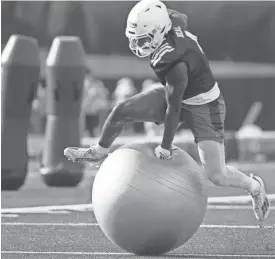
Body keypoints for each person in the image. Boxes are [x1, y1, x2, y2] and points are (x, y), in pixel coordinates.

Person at [64, 0, 270, 222]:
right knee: (121, 111)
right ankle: (99, 151)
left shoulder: (172, 60)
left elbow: (174, 107)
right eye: (134, 38)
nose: (137, 45)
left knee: (216, 175)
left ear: (160, 30)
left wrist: (165, 146)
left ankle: (254, 186)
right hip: (178, 91)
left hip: (204, 106)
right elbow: (180, 17)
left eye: (142, 40)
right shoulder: (172, 21)